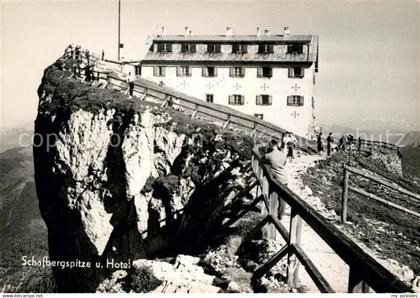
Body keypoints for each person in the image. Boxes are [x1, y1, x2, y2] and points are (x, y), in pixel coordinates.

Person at [263, 139, 289, 219]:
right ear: (277, 145)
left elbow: (263, 162)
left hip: (275, 179)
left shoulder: (268, 155)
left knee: (272, 195)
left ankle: (272, 213)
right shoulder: (283, 154)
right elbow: (284, 163)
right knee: (282, 198)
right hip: (284, 178)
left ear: (270, 145)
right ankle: (281, 215)